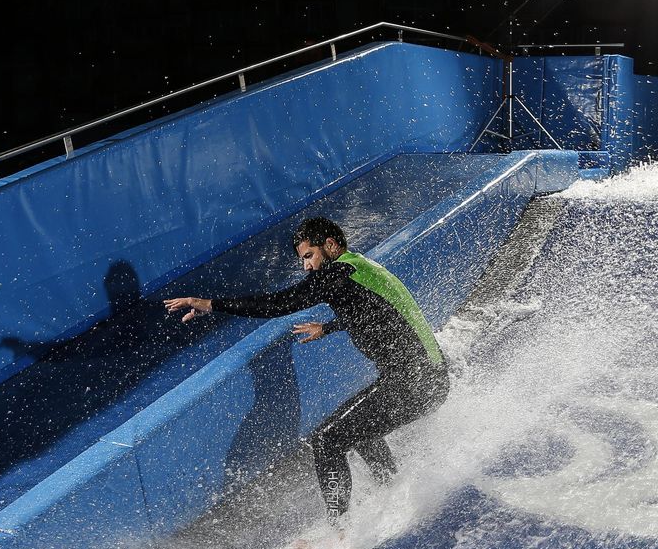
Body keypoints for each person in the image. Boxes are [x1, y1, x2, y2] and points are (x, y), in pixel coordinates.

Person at [164, 216, 449, 523]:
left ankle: (339, 528)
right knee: (356, 429)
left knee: (327, 439)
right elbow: (373, 311)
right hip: (427, 377)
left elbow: (277, 304)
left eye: (309, 256)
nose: (306, 267)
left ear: (330, 245)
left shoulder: (338, 274)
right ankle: (393, 487)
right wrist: (327, 328)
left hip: (415, 382)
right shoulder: (357, 269)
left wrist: (209, 303)